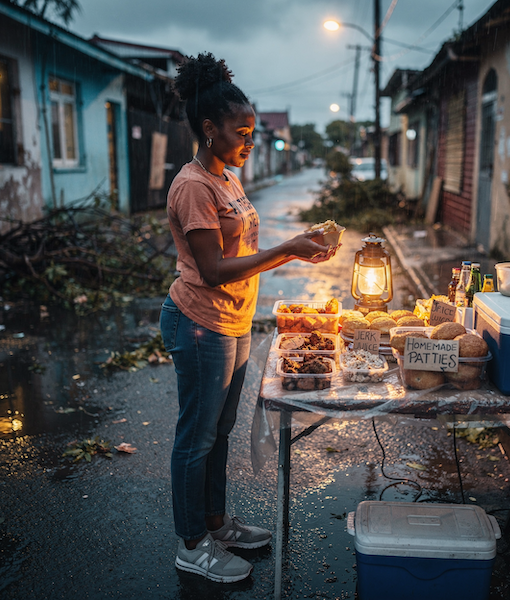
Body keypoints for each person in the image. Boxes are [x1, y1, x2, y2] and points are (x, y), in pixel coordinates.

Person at [159, 52, 336, 584]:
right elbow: (212, 269)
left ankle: (216, 523)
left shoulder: (227, 178)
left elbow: (239, 249)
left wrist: (297, 247)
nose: (249, 142)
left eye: (253, 132)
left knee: (220, 429)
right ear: (209, 130)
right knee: (197, 436)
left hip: (233, 323)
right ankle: (192, 544)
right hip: (199, 323)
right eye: (242, 133)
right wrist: (289, 250)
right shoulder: (194, 185)